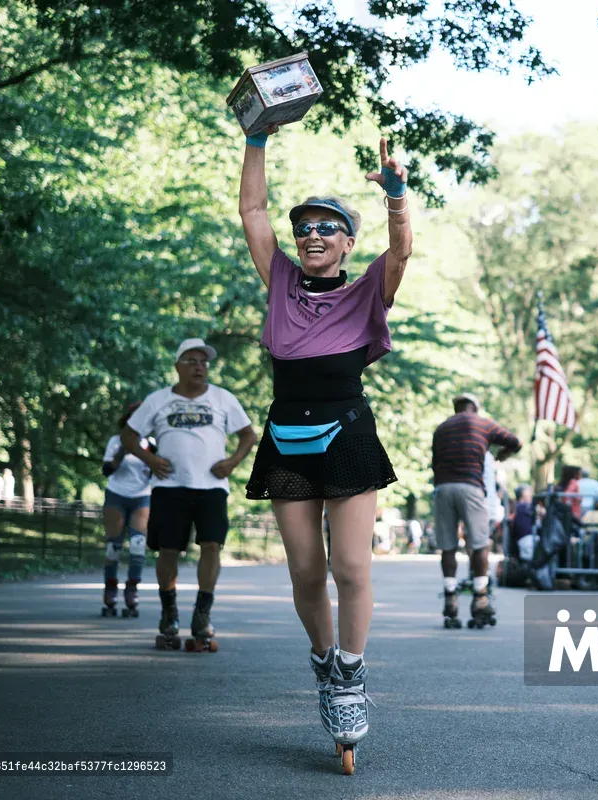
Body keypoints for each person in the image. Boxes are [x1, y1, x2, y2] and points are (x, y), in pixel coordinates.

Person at [237, 125, 409, 771]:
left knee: (352, 570)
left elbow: (401, 254)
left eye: (327, 226)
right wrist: (255, 138)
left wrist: (397, 197)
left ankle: (351, 678)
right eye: (305, 225)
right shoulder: (278, 279)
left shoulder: (367, 290)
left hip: (346, 434)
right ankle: (323, 660)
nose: (313, 234)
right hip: (286, 435)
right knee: (307, 571)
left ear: (346, 242)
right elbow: (252, 212)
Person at [122, 339, 257, 650]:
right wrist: (151, 460)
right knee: (168, 551)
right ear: (177, 366)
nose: (200, 366)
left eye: (204, 362)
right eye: (192, 361)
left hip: (211, 488)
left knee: (212, 545)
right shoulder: (157, 400)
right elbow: (129, 435)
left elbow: (248, 435)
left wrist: (232, 462)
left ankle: (201, 614)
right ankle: (169, 614)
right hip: (170, 487)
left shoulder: (223, 398)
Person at [430, 393, 521, 629]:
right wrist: (503, 454)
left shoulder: (441, 428)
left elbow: (435, 463)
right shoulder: (482, 423)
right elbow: (515, 441)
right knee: (480, 543)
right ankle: (480, 598)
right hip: (471, 487)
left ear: (456, 407)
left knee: (447, 546)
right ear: (475, 408)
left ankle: (450, 597)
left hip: (443, 488)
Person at [100, 401, 154, 617]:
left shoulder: (151, 443)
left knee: (138, 545)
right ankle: (111, 587)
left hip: (141, 497)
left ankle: (132, 588)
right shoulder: (116, 441)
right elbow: (107, 470)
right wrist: (125, 448)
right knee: (114, 546)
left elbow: (159, 469)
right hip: (116, 495)